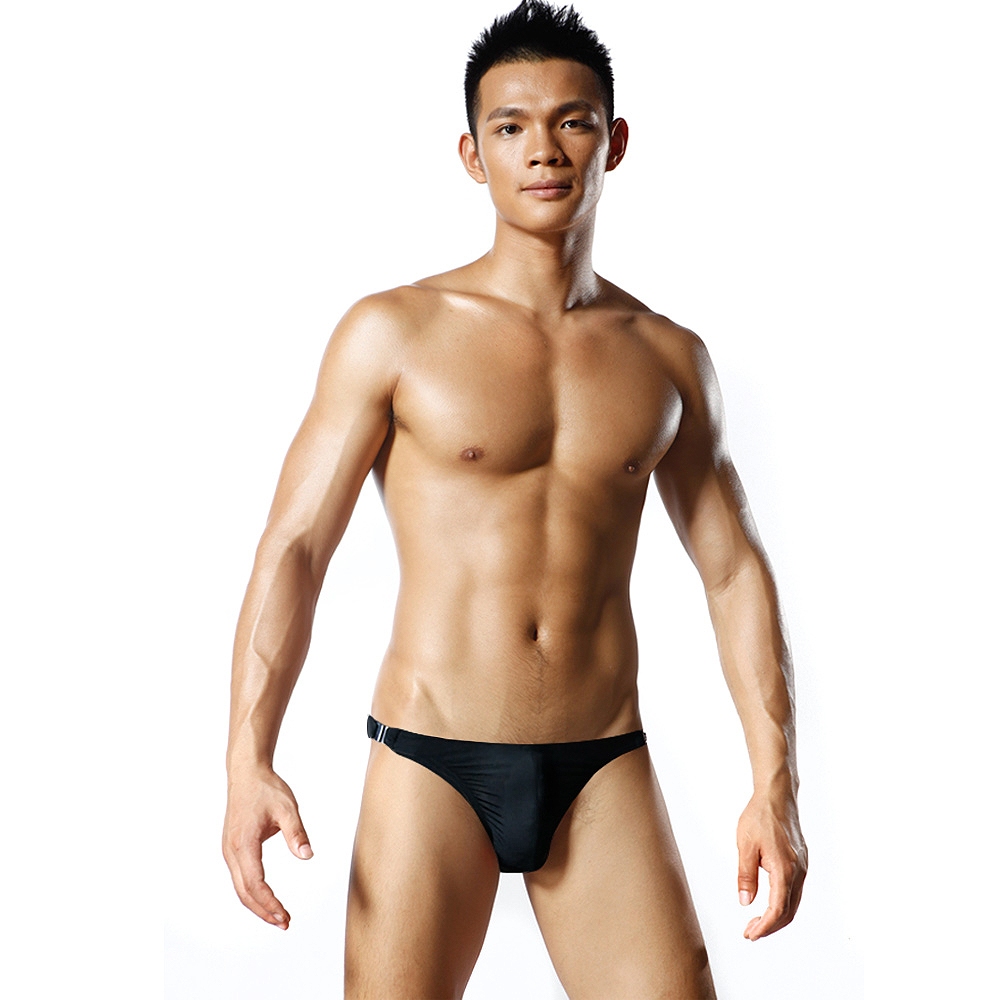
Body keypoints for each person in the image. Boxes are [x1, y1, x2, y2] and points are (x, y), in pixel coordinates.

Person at [222, 2, 807, 995]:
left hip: (601, 763)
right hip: (431, 758)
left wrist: (774, 785)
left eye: (573, 121)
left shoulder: (667, 358)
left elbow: (732, 570)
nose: (543, 149)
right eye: (510, 127)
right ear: (471, 154)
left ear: (614, 142)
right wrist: (248, 761)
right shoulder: (394, 333)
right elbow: (295, 548)